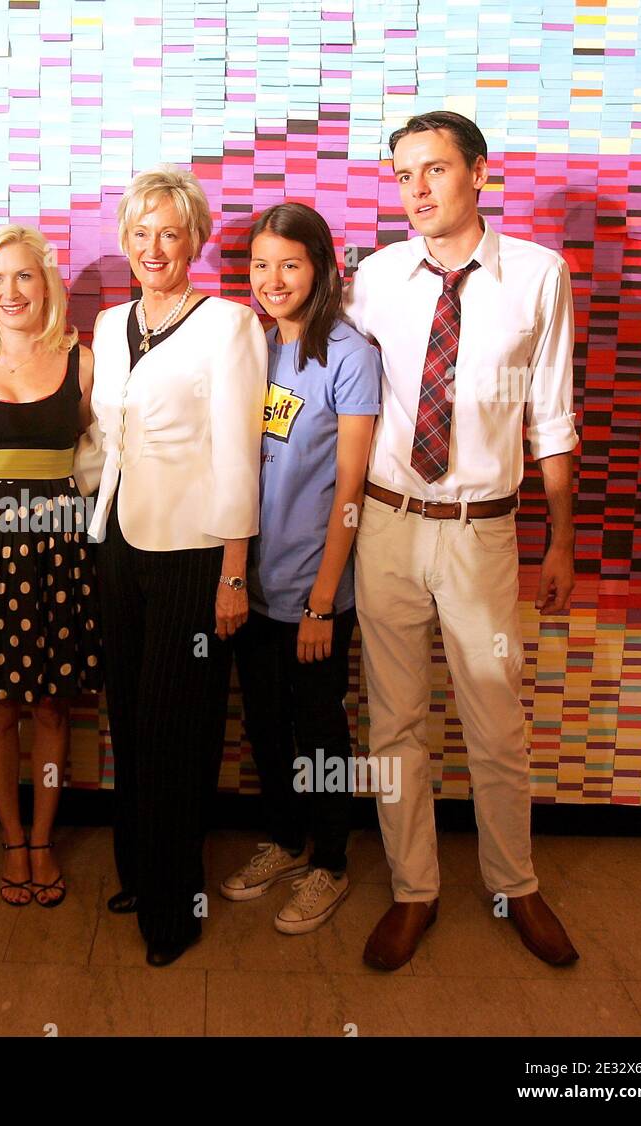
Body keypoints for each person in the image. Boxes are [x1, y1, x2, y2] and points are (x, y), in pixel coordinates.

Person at [345, 110, 581, 970]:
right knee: (394, 722)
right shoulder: (376, 277)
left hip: (483, 531)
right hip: (386, 524)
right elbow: (345, 396)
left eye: (435, 169)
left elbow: (552, 415)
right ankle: (414, 890)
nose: (417, 189)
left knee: (495, 719)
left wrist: (560, 541)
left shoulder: (538, 276)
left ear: (479, 172)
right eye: (403, 174)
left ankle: (515, 882)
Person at [89, 165, 267, 966]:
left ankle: (174, 907)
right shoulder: (108, 323)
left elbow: (238, 454)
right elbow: (108, 439)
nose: (154, 247)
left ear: (195, 240)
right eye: (141, 232)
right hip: (119, 543)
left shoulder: (229, 325)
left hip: (195, 552)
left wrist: (234, 571)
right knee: (129, 719)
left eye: (170, 232)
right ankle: (139, 870)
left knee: (174, 730)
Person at [220, 203, 380, 934]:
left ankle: (332, 863)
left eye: (289, 264)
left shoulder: (349, 353)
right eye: (261, 265)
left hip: (316, 590)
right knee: (264, 723)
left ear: (320, 268)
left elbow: (351, 488)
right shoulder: (254, 349)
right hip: (251, 583)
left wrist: (322, 601)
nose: (273, 279)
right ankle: (285, 842)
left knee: (320, 731)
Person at [0, 225, 101, 909]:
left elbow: (103, 446)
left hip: (58, 546)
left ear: (47, 283)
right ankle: (11, 841)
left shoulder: (82, 361)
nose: (10, 291)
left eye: (24, 275)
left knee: (53, 705)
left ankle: (43, 838)